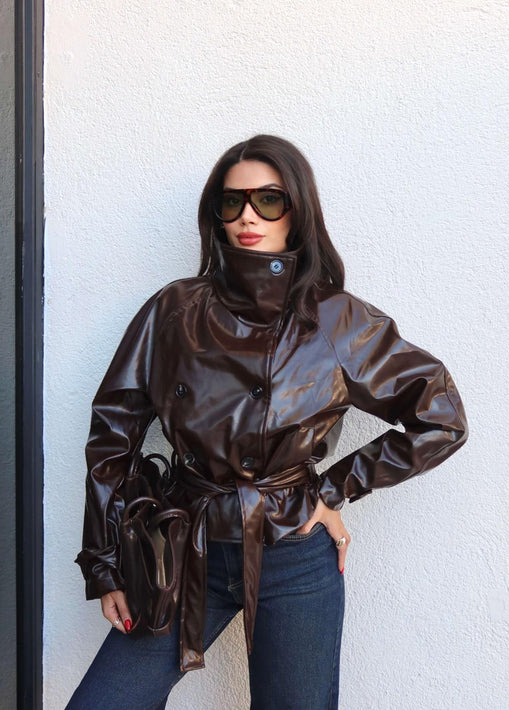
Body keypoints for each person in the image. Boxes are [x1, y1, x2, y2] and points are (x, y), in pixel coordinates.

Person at [67, 134, 468, 710]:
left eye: (268, 200)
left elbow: (440, 416)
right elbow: (112, 434)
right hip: (185, 546)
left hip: (292, 554)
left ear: (297, 210)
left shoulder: (336, 319)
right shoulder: (175, 310)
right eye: (231, 202)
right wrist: (106, 563)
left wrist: (330, 490)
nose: (248, 216)